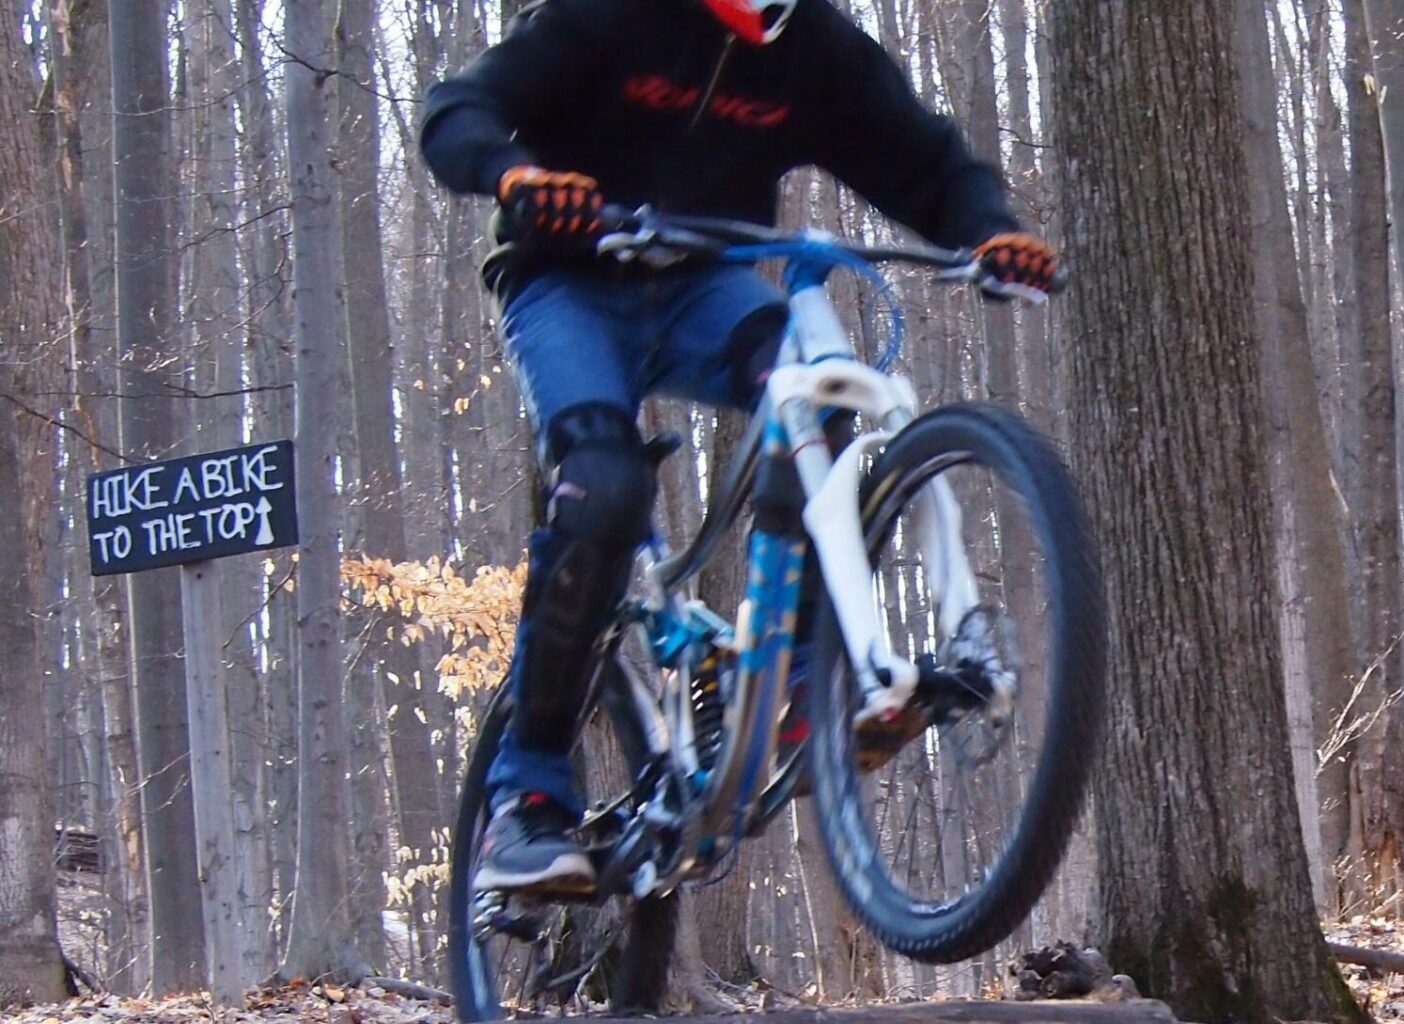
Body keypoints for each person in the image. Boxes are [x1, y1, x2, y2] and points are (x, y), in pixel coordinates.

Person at [419, 0, 1057, 893]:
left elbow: (923, 160)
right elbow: (458, 107)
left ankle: (803, 681)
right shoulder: (604, 16)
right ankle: (526, 798)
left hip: (702, 286)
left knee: (819, 398)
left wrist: (993, 230)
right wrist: (517, 175)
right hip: (566, 282)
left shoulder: (814, 48)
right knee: (603, 492)